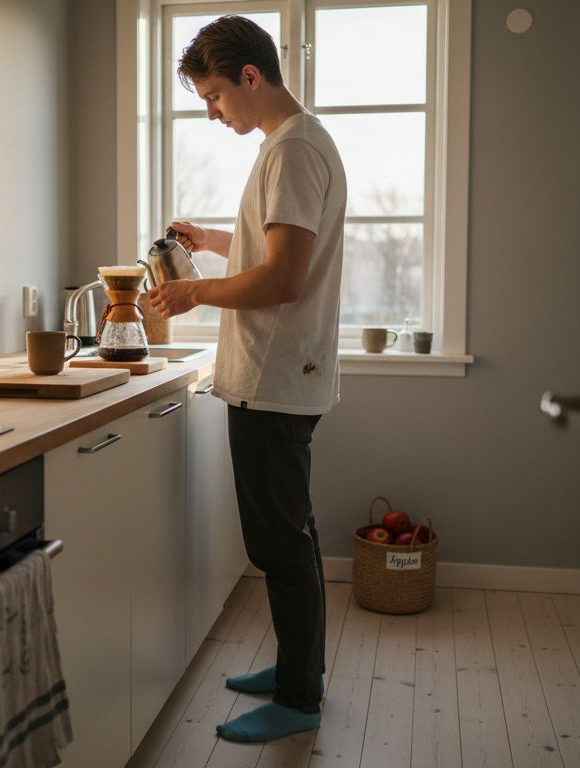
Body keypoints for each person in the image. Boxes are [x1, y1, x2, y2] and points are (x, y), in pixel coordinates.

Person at [147, 15, 346, 744]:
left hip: (272, 377)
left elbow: (284, 280)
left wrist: (196, 291)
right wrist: (213, 241)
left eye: (215, 96)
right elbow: (275, 247)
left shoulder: (291, 151)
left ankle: (298, 699)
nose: (212, 111)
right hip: (285, 374)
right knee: (294, 533)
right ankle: (303, 671)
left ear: (250, 78)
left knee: (279, 545)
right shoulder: (296, 143)